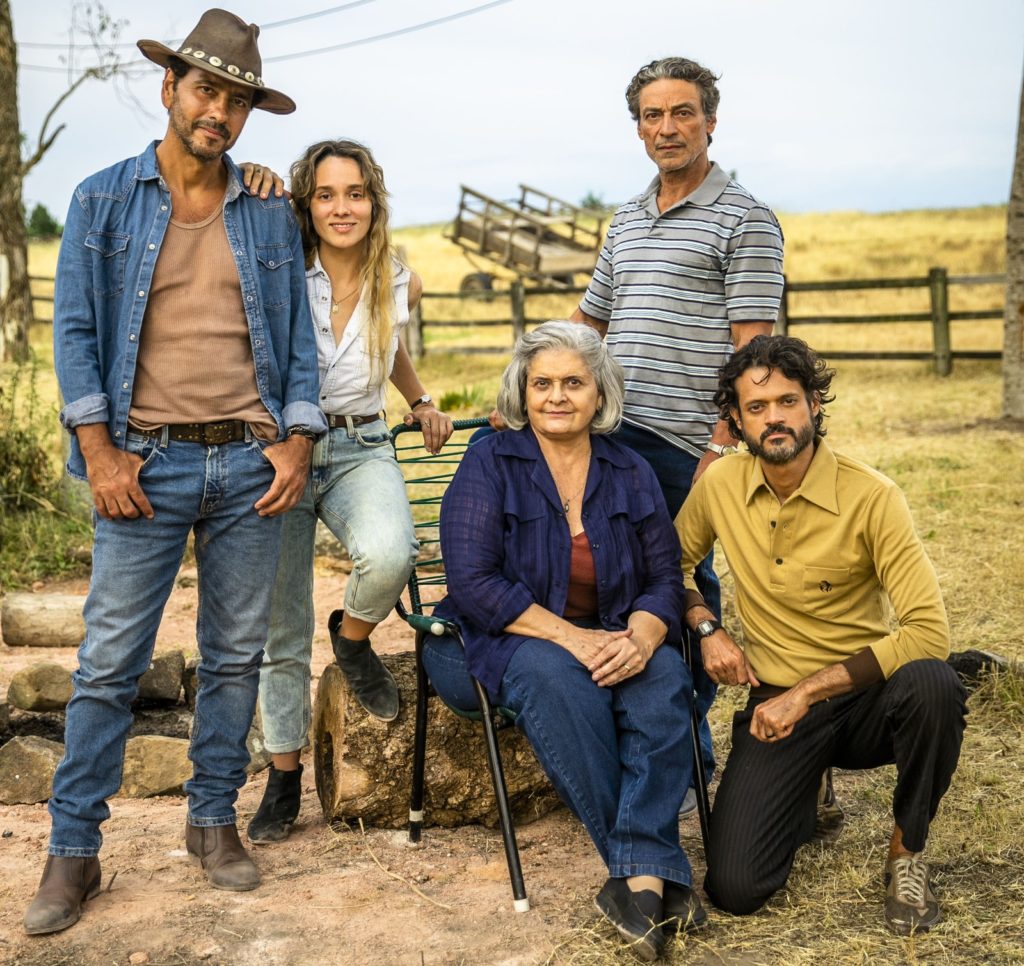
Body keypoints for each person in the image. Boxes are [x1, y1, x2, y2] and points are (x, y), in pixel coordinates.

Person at [24, 9, 326, 937]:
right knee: (109, 662)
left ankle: (211, 824)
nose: (219, 112)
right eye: (206, 90)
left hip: (248, 464)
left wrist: (298, 440)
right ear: (170, 88)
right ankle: (73, 852)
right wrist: (98, 451)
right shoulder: (102, 199)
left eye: (237, 101)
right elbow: (73, 334)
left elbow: (298, 347)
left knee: (235, 655)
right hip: (140, 467)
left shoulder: (271, 210)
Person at [423, 321, 703, 961]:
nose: (556, 396)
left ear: (599, 393)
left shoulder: (629, 469)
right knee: (558, 683)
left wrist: (645, 632)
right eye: (542, 383)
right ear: (522, 391)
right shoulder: (491, 460)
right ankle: (650, 873)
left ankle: (635, 885)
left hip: (612, 634)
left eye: (573, 383)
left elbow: (664, 577)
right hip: (498, 637)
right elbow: (473, 582)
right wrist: (576, 640)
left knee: (663, 684)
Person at [677, 335, 967, 934]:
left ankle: (906, 854)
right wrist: (707, 626)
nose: (774, 417)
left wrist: (807, 693)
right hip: (776, 705)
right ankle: (808, 788)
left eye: (787, 400)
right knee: (734, 887)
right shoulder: (720, 485)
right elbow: (669, 567)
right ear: (735, 418)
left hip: (863, 698)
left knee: (935, 683)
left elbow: (928, 631)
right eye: (756, 407)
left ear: (814, 403)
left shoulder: (873, 495)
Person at [568, 56, 785, 790]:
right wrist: (534, 380)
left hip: (684, 442)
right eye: (653, 116)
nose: (668, 128)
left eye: (682, 112)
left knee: (679, 583)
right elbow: (591, 319)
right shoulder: (626, 218)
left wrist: (724, 445)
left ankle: (689, 754)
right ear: (638, 129)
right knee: (617, 581)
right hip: (607, 433)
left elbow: (755, 351)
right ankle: (638, 735)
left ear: (710, 122)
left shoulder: (744, 217)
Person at [244, 140, 453, 844]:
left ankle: (355, 639)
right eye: (327, 194)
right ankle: (282, 776)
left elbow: (387, 347)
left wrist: (420, 401)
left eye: (356, 193)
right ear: (306, 202)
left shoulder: (396, 276)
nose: (343, 207)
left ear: (375, 201)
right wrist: (248, 180)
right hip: (281, 452)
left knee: (393, 553)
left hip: (362, 442)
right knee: (281, 625)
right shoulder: (278, 270)